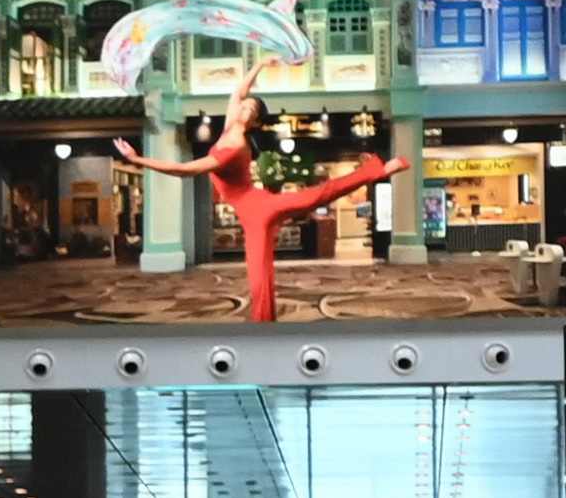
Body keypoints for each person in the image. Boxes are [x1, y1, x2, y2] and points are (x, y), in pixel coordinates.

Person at [131, 68, 402, 324]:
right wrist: (259, 64)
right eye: (245, 106)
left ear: (255, 121)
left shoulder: (235, 145)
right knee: (259, 271)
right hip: (252, 206)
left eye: (251, 110)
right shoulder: (228, 130)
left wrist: (139, 159)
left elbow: (183, 169)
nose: (244, 108)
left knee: (315, 197)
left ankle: (378, 170)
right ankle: (265, 321)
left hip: (258, 209)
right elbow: (238, 91)